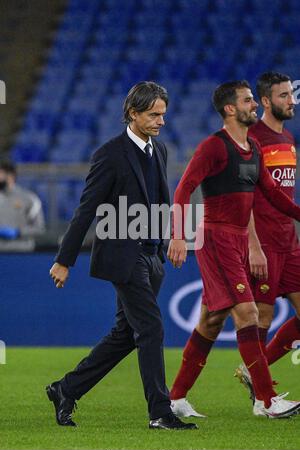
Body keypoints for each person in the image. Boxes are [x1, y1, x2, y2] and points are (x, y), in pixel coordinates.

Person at [46, 81, 197, 430]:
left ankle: (65, 389)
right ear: (132, 113)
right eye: (153, 115)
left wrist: (174, 237)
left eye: (163, 115)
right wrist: (64, 259)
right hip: (123, 257)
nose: (161, 121)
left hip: (151, 256)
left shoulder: (158, 151)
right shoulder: (109, 154)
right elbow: (86, 210)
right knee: (151, 328)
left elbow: (161, 200)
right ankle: (160, 413)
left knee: (126, 334)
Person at [168, 80, 300, 419]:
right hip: (217, 239)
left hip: (239, 239)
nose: (255, 105)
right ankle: (267, 400)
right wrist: (178, 236)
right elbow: (184, 189)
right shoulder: (214, 147)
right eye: (248, 101)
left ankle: (176, 397)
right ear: (230, 109)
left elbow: (272, 195)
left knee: (212, 321)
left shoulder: (253, 147)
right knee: (249, 314)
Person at [235, 72, 300, 401]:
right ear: (264, 101)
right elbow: (243, 197)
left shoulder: (288, 138)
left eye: (291, 94)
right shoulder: (252, 139)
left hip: (289, 240)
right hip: (262, 242)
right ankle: (262, 392)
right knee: (263, 314)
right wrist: (253, 244)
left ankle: (252, 372)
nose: (291, 100)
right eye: (284, 95)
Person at [0, 158, 45, 251]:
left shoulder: (29, 199)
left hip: (22, 254)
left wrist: (18, 232)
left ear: (10, 175)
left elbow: (40, 228)